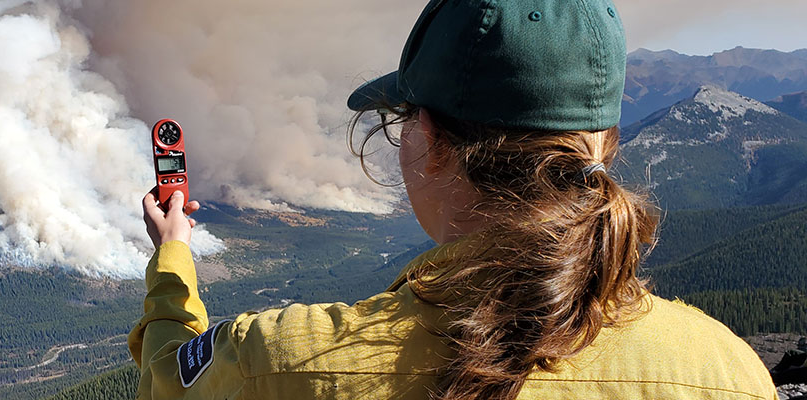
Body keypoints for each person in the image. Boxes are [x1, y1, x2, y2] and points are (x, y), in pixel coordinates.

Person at [129, 0, 778, 398]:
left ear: (432, 140)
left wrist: (173, 259)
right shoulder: (727, 368)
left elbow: (165, 377)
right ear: (606, 143)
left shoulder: (276, 363)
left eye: (402, 120)